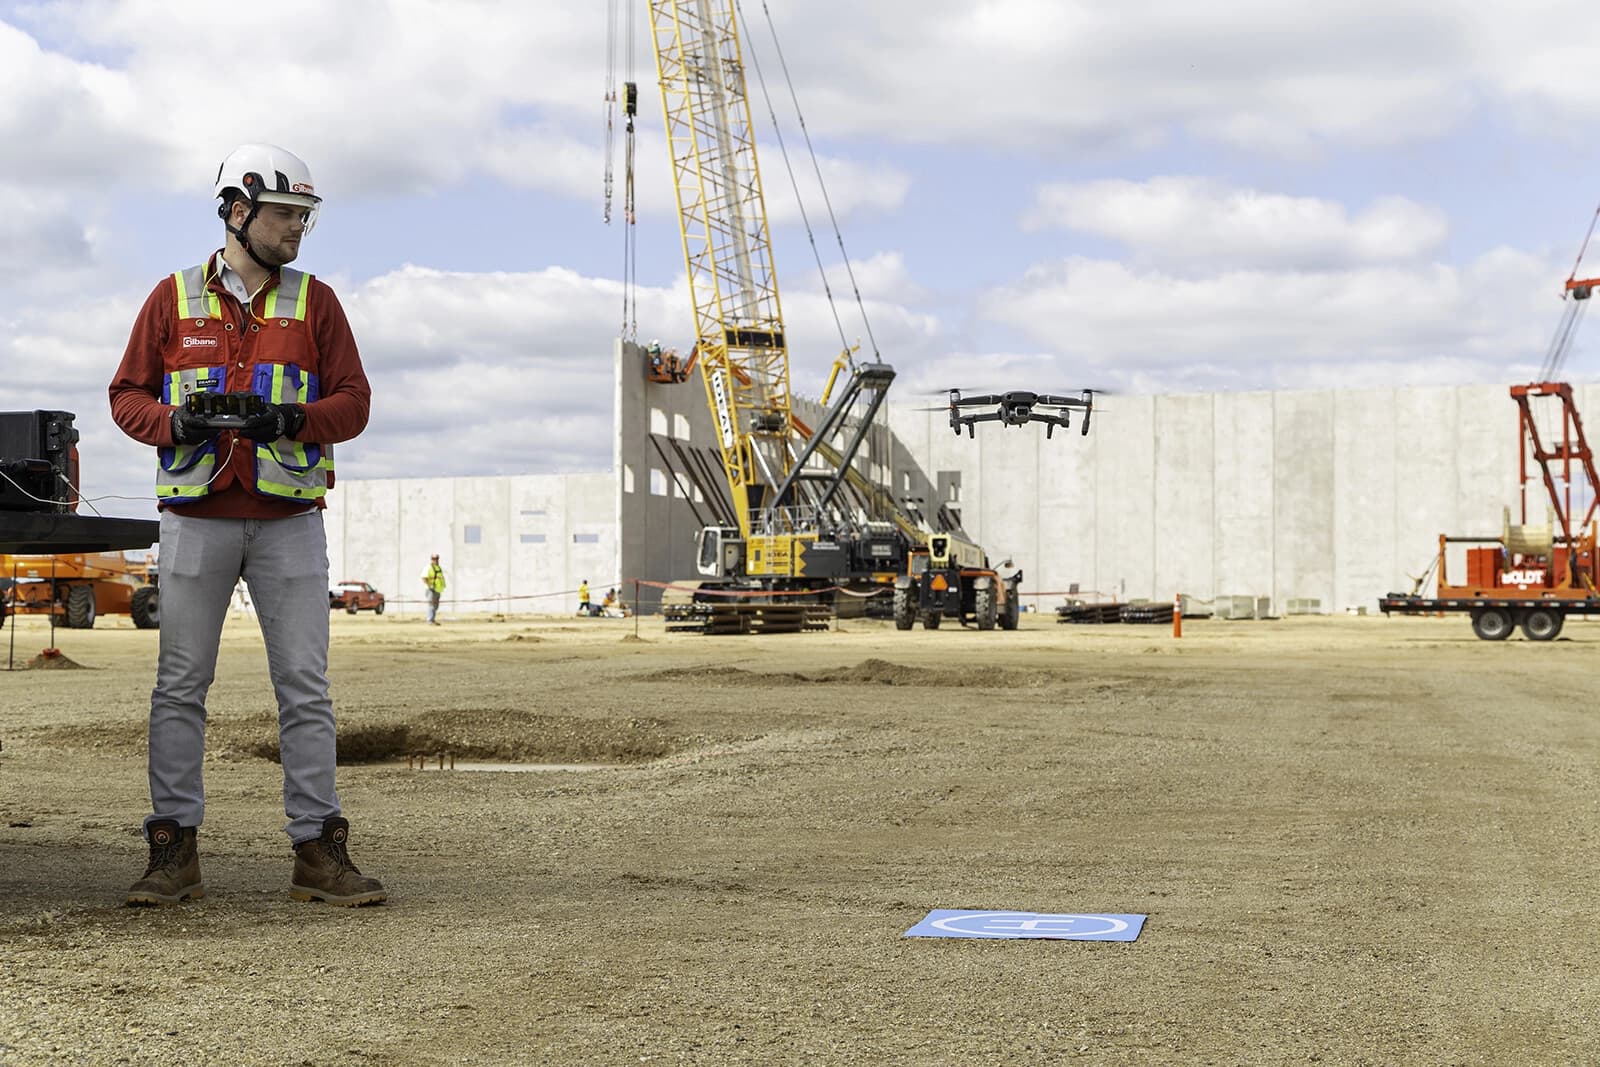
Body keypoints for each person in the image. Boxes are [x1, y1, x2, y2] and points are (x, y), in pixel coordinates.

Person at [108, 143, 385, 908]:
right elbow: (126, 393)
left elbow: (355, 402)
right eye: (286, 213)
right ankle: (173, 851)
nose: (298, 227)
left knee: (304, 687)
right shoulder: (170, 298)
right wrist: (175, 423)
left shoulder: (316, 301)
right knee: (178, 686)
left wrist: (293, 417)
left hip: (289, 520)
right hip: (196, 518)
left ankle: (318, 851)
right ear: (237, 210)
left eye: (305, 215)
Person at [423, 554, 446, 625]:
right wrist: (430, 586)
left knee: (435, 606)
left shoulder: (438, 567)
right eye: (434, 558)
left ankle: (432, 620)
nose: (435, 560)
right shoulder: (428, 567)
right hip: (431, 590)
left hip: (437, 590)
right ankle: (430, 620)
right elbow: (424, 578)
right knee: (431, 605)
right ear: (431, 559)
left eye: (436, 558)